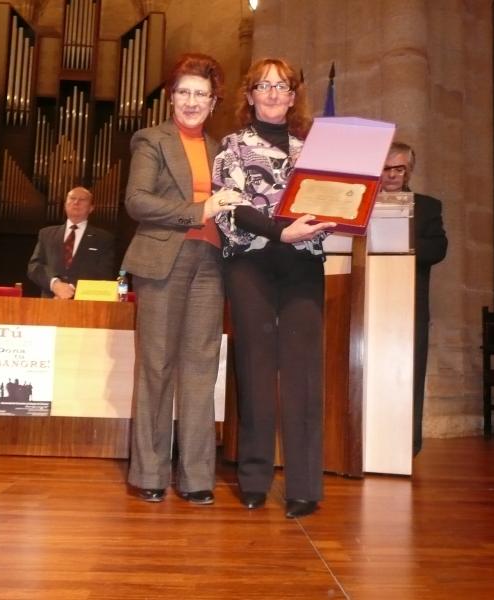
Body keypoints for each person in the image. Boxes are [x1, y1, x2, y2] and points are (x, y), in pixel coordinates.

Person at [212, 57, 335, 519]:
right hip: (251, 265)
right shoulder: (231, 148)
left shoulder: (314, 151)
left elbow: (332, 202)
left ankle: (304, 486)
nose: (273, 93)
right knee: (256, 370)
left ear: (292, 96)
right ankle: (254, 478)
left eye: (282, 86)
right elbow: (232, 206)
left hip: (303, 265)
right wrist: (281, 232)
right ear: (249, 95)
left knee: (303, 374)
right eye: (263, 85)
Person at [122, 53, 244, 505]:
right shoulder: (151, 140)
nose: (192, 101)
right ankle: (150, 472)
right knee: (156, 366)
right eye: (184, 92)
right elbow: (137, 200)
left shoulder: (223, 151)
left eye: (201, 94)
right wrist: (200, 209)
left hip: (210, 264)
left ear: (214, 102)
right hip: (162, 261)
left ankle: (195, 477)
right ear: (171, 97)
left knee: (200, 369)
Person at [380, 141, 448, 456]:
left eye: (400, 169)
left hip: (409, 302)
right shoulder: (360, 204)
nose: (393, 175)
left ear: (409, 171)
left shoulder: (428, 206)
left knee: (408, 373)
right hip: (367, 297)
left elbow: (437, 249)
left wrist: (397, 240)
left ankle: (407, 445)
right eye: (386, 168)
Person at [27, 187, 115, 298]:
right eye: (72, 198)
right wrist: (55, 285)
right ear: (65, 205)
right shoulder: (46, 234)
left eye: (82, 199)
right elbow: (34, 267)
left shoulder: (103, 238)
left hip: (85, 302)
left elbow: (104, 274)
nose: (76, 202)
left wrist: (70, 291)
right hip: (50, 301)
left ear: (91, 208)